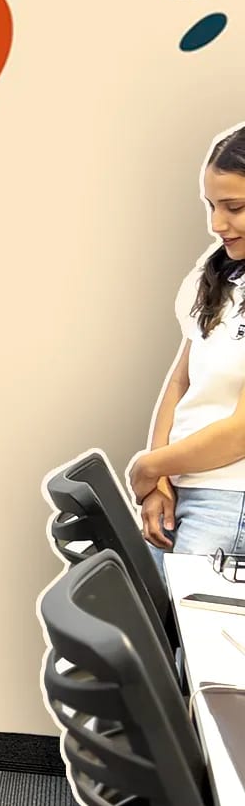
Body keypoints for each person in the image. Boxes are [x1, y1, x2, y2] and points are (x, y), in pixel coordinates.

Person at [130, 124, 245, 567]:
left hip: (230, 502)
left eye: (234, 207)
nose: (216, 225)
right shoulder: (218, 274)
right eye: (211, 205)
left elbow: (240, 433)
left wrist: (150, 466)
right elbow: (181, 380)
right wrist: (159, 482)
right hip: (180, 492)